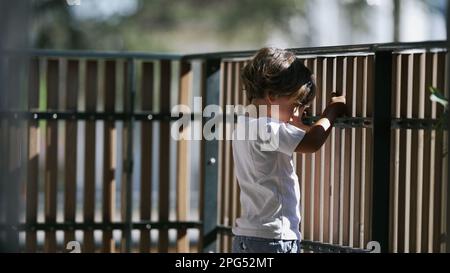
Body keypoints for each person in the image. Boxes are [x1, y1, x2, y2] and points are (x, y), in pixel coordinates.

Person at [231, 47, 347, 253]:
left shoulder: (244, 124)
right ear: (272, 96)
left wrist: (295, 122)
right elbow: (313, 142)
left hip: (246, 236)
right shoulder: (267, 127)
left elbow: (290, 134)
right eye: (295, 104)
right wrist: (333, 110)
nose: (296, 112)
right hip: (274, 238)